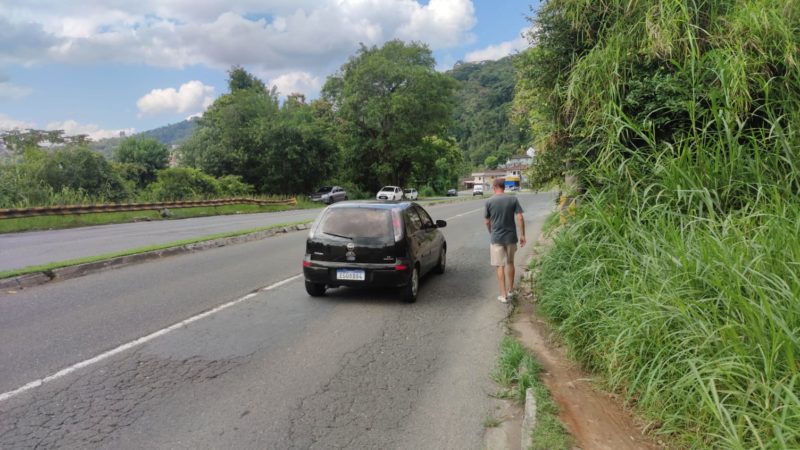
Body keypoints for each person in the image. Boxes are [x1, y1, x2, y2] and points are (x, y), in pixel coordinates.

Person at [484, 178, 525, 303]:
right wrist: (522, 235)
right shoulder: (513, 199)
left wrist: (491, 231)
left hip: (497, 238)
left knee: (499, 265)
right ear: (504, 187)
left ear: (495, 186)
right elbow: (520, 217)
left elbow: (487, 221)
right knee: (510, 262)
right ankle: (510, 290)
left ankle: (503, 295)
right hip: (511, 237)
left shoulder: (489, 201)